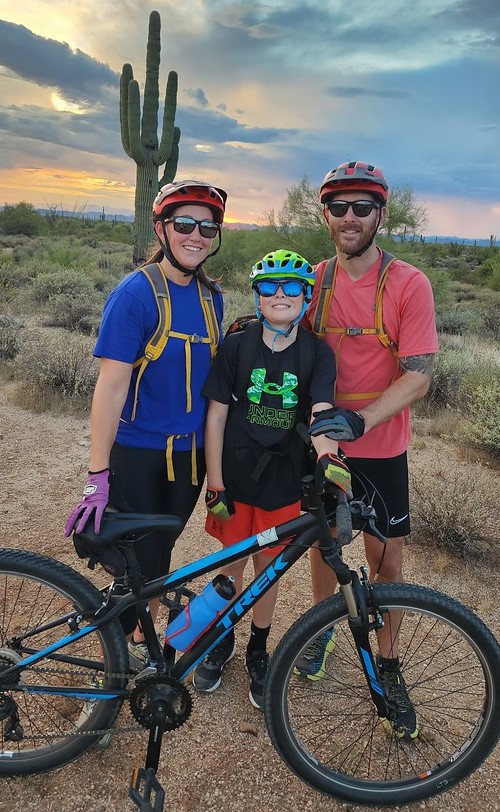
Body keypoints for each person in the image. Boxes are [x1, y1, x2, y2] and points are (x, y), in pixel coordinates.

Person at [64, 179, 227, 673]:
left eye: (207, 227)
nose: (195, 235)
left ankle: (138, 634)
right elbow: (110, 387)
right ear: (162, 228)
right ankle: (118, 660)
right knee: (135, 560)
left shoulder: (211, 298)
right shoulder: (135, 294)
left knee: (158, 557)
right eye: (184, 224)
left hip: (188, 456)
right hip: (137, 452)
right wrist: (98, 475)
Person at [300, 160, 439, 740]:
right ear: (326, 215)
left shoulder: (409, 283)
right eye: (339, 207)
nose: (350, 217)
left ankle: (388, 662)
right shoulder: (313, 279)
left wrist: (362, 418)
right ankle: (322, 629)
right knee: (324, 544)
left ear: (381, 214)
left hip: (381, 444)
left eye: (362, 207)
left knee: (387, 561)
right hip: (326, 443)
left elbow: (420, 373)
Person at [191, 249, 352, 710]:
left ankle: (258, 648)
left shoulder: (317, 355)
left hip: (283, 479)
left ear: (307, 297)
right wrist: (215, 482)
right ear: (257, 296)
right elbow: (217, 416)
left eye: (291, 288)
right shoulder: (237, 346)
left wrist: (329, 454)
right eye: (269, 287)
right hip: (236, 477)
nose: (279, 295)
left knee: (270, 569)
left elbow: (321, 411)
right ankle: (221, 640)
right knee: (232, 562)